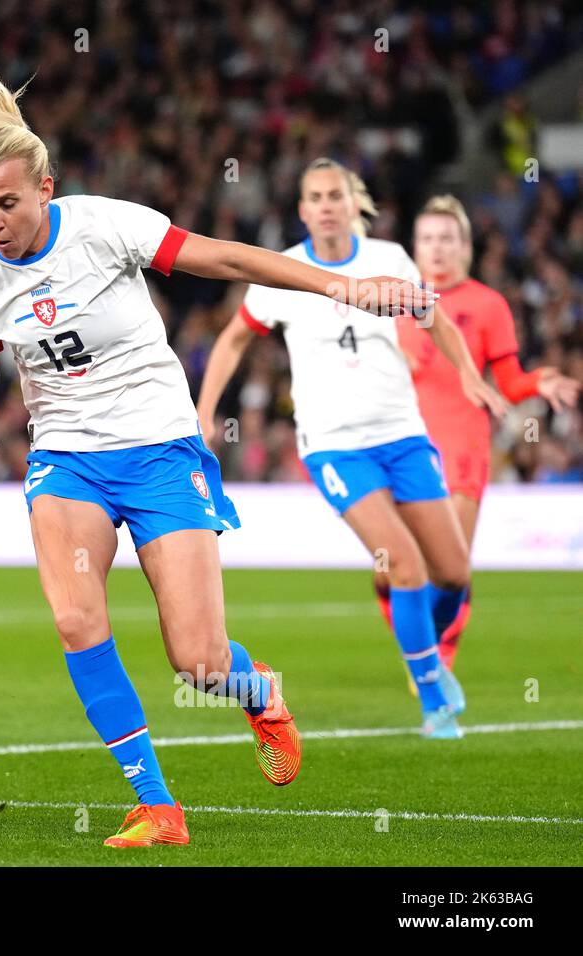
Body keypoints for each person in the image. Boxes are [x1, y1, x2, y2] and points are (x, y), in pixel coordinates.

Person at [0, 64, 435, 848]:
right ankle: (158, 807)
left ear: (46, 188)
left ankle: (256, 690)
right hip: (68, 459)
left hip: (162, 449)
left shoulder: (104, 225)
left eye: (6, 203)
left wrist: (340, 288)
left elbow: (228, 261)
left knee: (198, 660)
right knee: (75, 619)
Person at [196, 158, 509, 744]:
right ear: (303, 209)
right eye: (314, 196)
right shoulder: (283, 271)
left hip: (403, 433)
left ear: (349, 202)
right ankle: (434, 698)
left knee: (454, 571)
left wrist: (466, 369)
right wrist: (206, 409)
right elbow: (234, 335)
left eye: (335, 195)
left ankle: (427, 657)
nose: (325, 206)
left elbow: (431, 315)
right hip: (336, 447)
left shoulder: (387, 259)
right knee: (405, 565)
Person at [393, 195, 579, 667]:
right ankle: (422, 651)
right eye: (427, 238)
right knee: (401, 563)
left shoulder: (488, 304)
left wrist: (542, 380)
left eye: (446, 239)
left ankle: (438, 660)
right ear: (414, 246)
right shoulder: (392, 300)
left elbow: (510, 382)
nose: (437, 249)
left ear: (465, 246)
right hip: (400, 447)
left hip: (463, 447)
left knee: (451, 568)